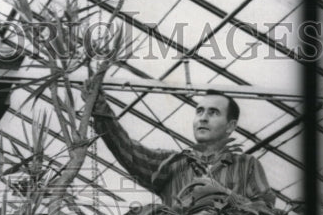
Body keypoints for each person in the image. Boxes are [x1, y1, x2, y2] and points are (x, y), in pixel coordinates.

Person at [93, 88, 275, 208]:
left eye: (213, 112)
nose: (203, 118)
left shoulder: (246, 164)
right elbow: (130, 152)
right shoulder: (175, 163)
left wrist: (223, 193)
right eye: (199, 111)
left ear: (230, 126)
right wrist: (100, 107)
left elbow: (267, 213)